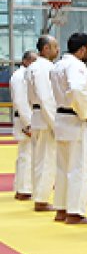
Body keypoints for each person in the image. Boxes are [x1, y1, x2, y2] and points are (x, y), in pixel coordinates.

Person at [51, 32, 87, 225]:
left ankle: (61, 208)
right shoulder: (76, 65)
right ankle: (75, 212)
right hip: (76, 121)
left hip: (62, 119)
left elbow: (72, 89)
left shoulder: (58, 65)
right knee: (81, 167)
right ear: (82, 49)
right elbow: (76, 90)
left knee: (63, 167)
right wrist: (85, 112)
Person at [26, 36, 60, 212]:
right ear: (46, 48)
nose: (58, 50)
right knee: (47, 159)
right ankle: (41, 199)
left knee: (39, 158)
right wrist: (55, 123)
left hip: (38, 115)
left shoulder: (33, 67)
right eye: (55, 46)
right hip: (45, 116)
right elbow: (46, 97)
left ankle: (38, 194)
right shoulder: (43, 68)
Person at [10, 51, 36, 201]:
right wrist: (29, 124)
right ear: (25, 61)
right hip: (25, 119)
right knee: (27, 155)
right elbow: (20, 102)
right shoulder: (20, 76)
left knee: (27, 155)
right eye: (33, 61)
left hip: (27, 118)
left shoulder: (25, 75)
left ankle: (23, 187)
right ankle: (24, 189)